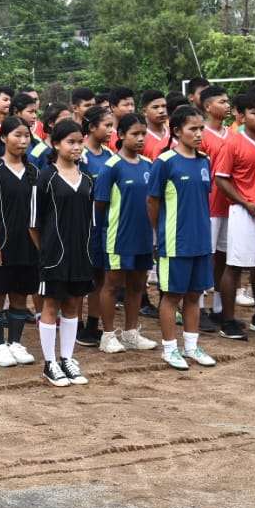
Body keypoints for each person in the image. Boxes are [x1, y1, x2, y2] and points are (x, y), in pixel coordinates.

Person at [149, 105, 217, 370]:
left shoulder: (204, 160)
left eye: (201, 128)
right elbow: (152, 202)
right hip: (175, 242)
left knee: (194, 295)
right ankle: (170, 349)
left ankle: (191, 347)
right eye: (193, 129)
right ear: (177, 131)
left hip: (201, 241)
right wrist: (161, 234)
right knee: (172, 296)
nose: (199, 133)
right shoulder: (165, 162)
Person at [33, 119, 95, 386]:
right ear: (56, 144)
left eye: (80, 142)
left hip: (81, 254)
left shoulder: (88, 180)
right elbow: (33, 224)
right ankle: (50, 363)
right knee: (51, 305)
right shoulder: (45, 177)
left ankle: (67, 359)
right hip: (54, 256)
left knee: (73, 305)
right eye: (71, 142)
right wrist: (47, 252)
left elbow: (90, 220)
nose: (77, 147)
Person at [0, 117, 39, 368]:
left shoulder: (35, 172)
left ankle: (14, 342)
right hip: (2, 245)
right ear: (3, 138)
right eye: (17, 135)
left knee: (19, 296)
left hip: (29, 246)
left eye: (26, 136)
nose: (23, 140)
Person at [95, 113, 157, 353]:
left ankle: (131, 333)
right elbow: (99, 206)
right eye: (135, 134)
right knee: (112, 285)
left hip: (143, 237)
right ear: (121, 136)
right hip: (118, 237)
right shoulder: (111, 167)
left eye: (144, 134)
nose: (141, 138)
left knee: (138, 285)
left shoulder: (149, 165)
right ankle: (108, 335)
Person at [213, 92, 255, 341]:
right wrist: (244, 202)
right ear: (240, 115)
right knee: (235, 266)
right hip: (242, 211)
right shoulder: (233, 143)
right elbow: (221, 178)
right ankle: (227, 320)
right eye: (254, 112)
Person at [77, 105, 116, 347]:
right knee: (82, 276)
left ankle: (93, 323)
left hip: (104, 225)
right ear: (92, 127)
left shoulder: (110, 156)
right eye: (107, 126)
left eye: (112, 126)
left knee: (99, 276)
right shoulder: (79, 154)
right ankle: (76, 323)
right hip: (82, 223)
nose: (112, 130)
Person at [195, 84, 233, 332]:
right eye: (222, 101)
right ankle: (197, 307)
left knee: (224, 257)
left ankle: (219, 308)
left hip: (229, 205)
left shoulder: (233, 133)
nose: (227, 105)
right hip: (207, 206)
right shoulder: (201, 135)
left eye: (228, 101)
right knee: (203, 257)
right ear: (208, 106)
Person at [139, 90, 170, 160]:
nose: (161, 111)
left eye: (164, 106)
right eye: (155, 107)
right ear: (144, 111)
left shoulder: (175, 133)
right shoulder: (140, 137)